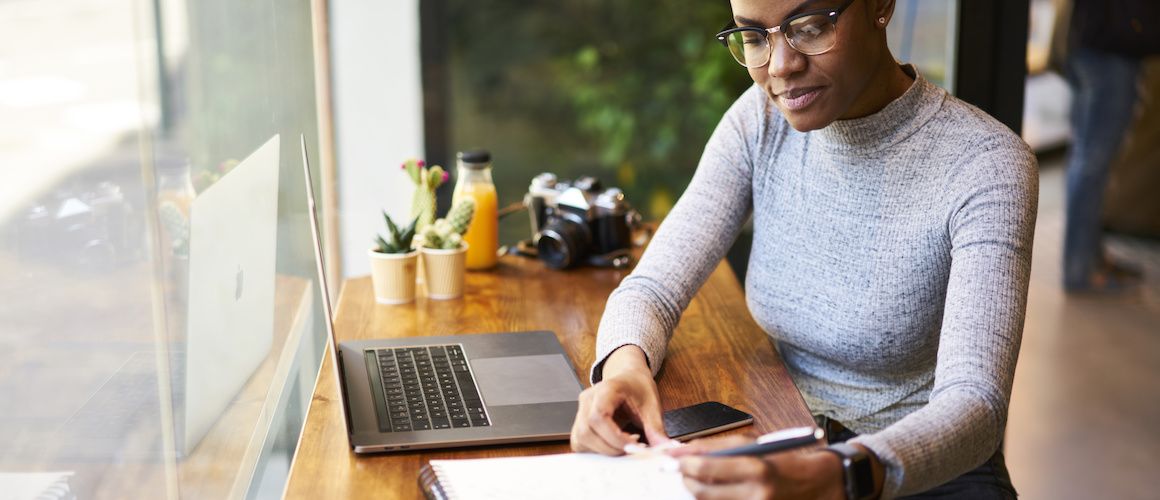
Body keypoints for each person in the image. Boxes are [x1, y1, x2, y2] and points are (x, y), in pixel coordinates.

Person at [569, 0, 1038, 499]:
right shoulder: (758, 123)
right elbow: (651, 288)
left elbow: (976, 404)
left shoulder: (986, 165)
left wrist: (839, 473)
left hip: (922, 472)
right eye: (753, 37)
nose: (780, 65)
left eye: (811, 27)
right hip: (781, 436)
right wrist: (622, 371)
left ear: (881, 6)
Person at [1059, 0, 1160, 292]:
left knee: (1087, 157)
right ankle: (1081, 269)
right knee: (1092, 162)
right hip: (1111, 48)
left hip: (1093, 42)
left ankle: (1089, 256)